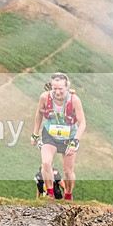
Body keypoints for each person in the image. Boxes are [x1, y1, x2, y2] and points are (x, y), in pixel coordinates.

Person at [31, 72, 86, 200]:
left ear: (67, 87)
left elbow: (82, 122)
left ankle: (68, 195)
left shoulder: (74, 100)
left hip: (69, 137)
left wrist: (75, 141)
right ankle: (50, 195)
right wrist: (35, 133)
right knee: (46, 163)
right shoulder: (45, 97)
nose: (57, 92)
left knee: (68, 171)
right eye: (54, 88)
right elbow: (39, 114)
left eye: (60, 89)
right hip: (49, 135)